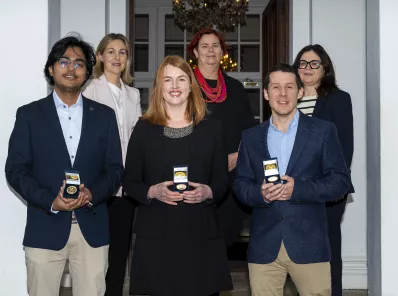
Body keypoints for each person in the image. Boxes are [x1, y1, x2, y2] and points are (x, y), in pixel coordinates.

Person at [5, 34, 124, 296]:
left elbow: (115, 169)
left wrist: (92, 193)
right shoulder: (29, 115)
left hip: (92, 229)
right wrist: (51, 201)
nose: (71, 68)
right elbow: (15, 170)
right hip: (44, 227)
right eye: (64, 61)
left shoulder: (104, 116)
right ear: (51, 68)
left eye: (79, 64)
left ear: (87, 73)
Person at [234, 63, 353, 296]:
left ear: (299, 92)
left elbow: (340, 181)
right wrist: (260, 193)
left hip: (309, 244)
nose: (283, 94)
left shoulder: (323, 131)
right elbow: (241, 184)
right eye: (276, 87)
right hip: (264, 247)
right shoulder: (251, 137)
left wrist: (298, 189)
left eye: (289, 87)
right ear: (266, 94)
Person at [123, 55, 233, 296]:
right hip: (156, 237)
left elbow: (222, 182)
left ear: (191, 85)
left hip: (200, 237)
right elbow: (130, 182)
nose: (175, 86)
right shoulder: (143, 128)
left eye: (181, 79)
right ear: (159, 87)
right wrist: (152, 191)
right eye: (168, 80)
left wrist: (208, 191)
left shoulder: (212, 129)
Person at [82, 33, 142, 296]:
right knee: (96, 254)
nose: (117, 57)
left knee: (119, 252)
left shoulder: (133, 94)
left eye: (122, 52)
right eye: (111, 51)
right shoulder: (90, 89)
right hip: (98, 182)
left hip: (125, 186)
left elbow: (136, 137)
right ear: (100, 57)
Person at [293, 44, 354, 296]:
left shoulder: (339, 99)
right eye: (303, 63)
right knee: (299, 251)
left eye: (314, 63)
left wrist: (336, 184)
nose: (308, 68)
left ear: (324, 68)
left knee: (327, 250)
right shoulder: (288, 98)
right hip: (294, 188)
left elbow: (345, 146)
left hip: (327, 190)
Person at [187, 28, 256, 247]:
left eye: (215, 46)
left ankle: (218, 281)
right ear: (195, 53)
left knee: (226, 234)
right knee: (196, 237)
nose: (210, 50)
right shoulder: (185, 86)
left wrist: (239, 154)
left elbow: (250, 129)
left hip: (231, 173)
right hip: (196, 172)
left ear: (222, 52)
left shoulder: (235, 87)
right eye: (204, 46)